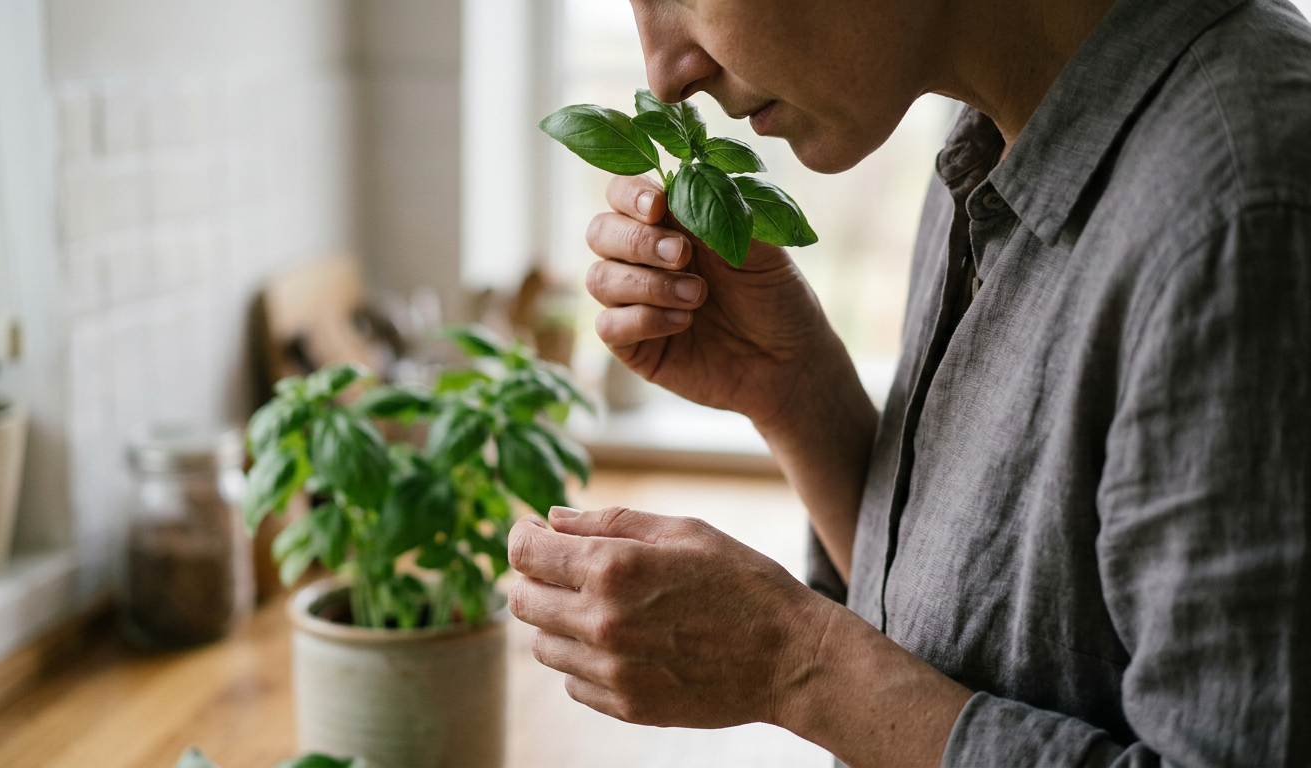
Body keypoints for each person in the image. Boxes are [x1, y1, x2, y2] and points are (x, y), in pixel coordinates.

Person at [506, 0, 1311, 764]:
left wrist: (794, 662)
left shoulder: (1243, 211)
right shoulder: (990, 135)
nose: (665, 74)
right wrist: (793, 389)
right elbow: (972, 637)